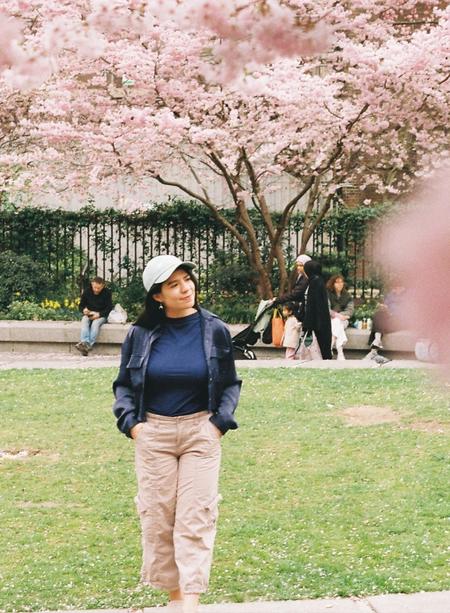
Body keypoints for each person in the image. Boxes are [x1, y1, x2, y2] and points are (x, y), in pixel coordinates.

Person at [112, 255, 241, 613]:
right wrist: (133, 426)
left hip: (201, 432)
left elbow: (230, 383)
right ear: (158, 296)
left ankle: (191, 605)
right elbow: (123, 385)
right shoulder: (140, 334)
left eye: (187, 280)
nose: (186, 288)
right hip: (155, 434)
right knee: (158, 518)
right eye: (173, 284)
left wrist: (218, 424)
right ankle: (175, 600)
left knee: (195, 517)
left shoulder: (214, 329)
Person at [301, 260, 332, 360]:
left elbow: (312, 305)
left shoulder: (315, 282)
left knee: (322, 348)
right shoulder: (317, 281)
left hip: (317, 322)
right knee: (324, 347)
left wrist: (307, 325)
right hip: (321, 320)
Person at [75, 276, 112, 356]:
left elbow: (109, 308)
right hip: (90, 313)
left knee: (95, 323)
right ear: (92, 284)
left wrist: (99, 314)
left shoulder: (107, 293)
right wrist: (84, 310)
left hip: (101, 315)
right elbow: (81, 306)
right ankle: (85, 343)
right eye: (95, 287)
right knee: (84, 320)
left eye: (99, 288)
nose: (96, 290)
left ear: (103, 286)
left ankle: (87, 346)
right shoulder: (87, 291)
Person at [273, 254, 311, 319]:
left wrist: (278, 299)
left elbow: (296, 293)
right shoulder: (301, 276)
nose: (298, 267)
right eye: (297, 265)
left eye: (301, 265)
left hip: (303, 310)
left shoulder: (305, 278)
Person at [326, 274, 354, 361]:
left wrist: (341, 315)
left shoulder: (347, 295)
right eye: (337, 282)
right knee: (337, 323)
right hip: (330, 319)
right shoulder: (328, 294)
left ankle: (330, 347)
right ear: (332, 284)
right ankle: (340, 352)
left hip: (344, 320)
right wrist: (336, 315)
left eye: (341, 282)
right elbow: (326, 308)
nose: (340, 284)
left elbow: (350, 310)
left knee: (338, 322)